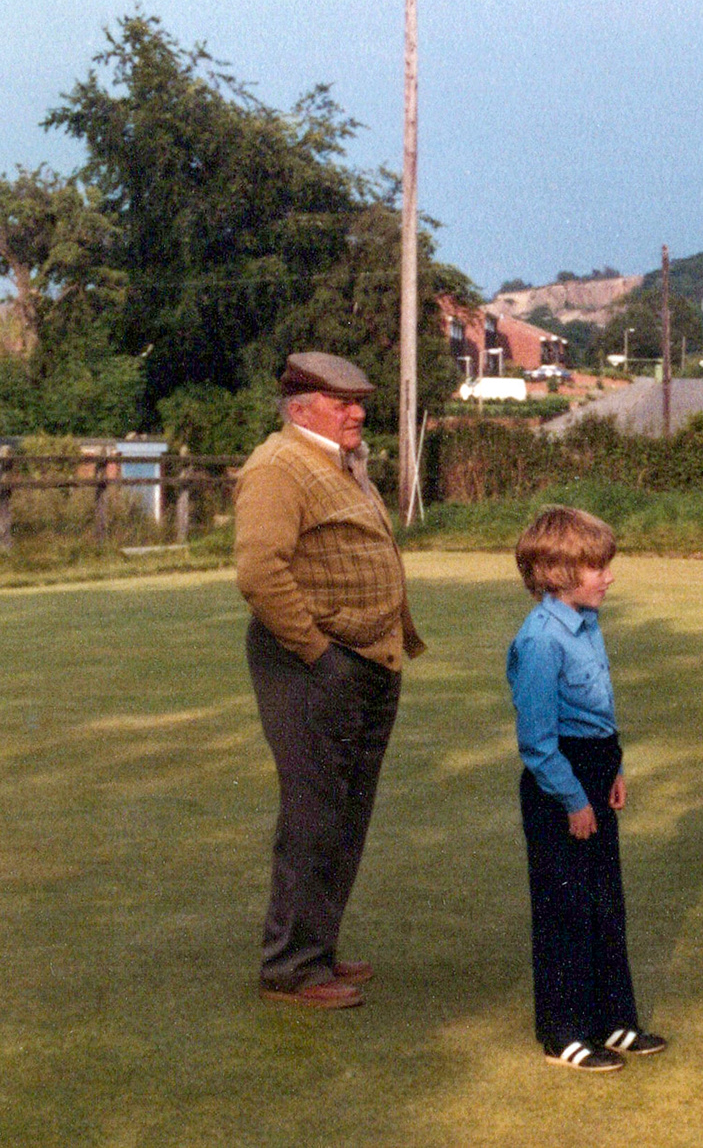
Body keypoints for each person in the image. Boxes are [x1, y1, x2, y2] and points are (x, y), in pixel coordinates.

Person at [235, 351, 426, 1009]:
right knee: (316, 812)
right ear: (301, 407)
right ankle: (291, 967)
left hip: (366, 659)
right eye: (342, 401)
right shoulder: (278, 466)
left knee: (345, 813)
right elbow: (260, 572)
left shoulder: (338, 461)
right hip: (315, 662)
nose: (358, 411)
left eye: (358, 400)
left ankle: (317, 947)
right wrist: (318, 651)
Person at [508, 506, 666, 1073]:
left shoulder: (588, 623)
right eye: (597, 567)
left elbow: (597, 710)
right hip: (560, 784)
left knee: (604, 901)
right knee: (565, 907)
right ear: (557, 572)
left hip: (596, 770)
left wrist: (614, 768)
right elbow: (538, 740)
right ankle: (563, 1031)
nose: (609, 577)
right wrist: (574, 798)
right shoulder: (542, 640)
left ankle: (612, 1019)